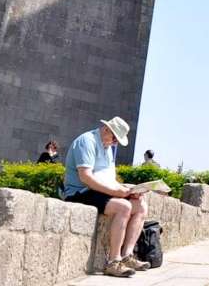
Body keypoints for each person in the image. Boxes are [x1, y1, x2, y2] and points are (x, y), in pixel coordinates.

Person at [61, 117, 149, 278]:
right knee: (124, 207)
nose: (115, 143)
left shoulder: (107, 147)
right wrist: (118, 193)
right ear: (106, 129)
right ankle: (113, 262)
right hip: (79, 192)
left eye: (117, 140)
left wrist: (128, 189)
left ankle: (127, 255)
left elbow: (108, 179)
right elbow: (86, 178)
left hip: (98, 191)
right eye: (115, 138)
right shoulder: (87, 142)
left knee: (141, 205)